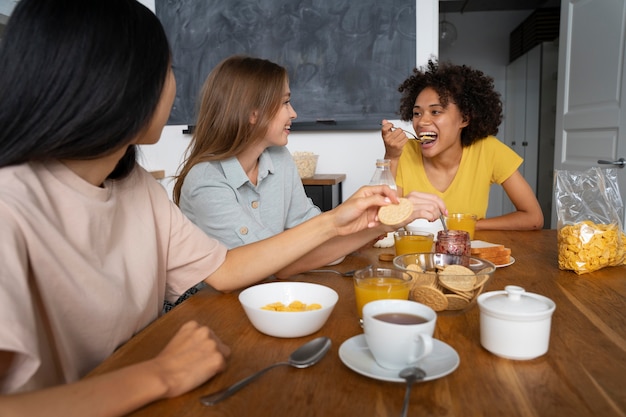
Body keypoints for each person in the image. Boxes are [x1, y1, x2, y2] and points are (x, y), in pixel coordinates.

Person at [0, 1, 446, 416]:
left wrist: (344, 219)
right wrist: (161, 373)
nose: (175, 86)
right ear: (117, 81)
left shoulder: (136, 188)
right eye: (168, 69)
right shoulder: (10, 206)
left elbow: (226, 268)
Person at [173, 55, 448, 273]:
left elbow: (316, 239)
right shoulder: (205, 181)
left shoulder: (279, 160)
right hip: (205, 314)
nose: (293, 113)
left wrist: (380, 224)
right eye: (285, 102)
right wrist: (359, 223)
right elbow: (274, 265)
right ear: (252, 113)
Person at [381, 60, 544, 231]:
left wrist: (467, 226)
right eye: (417, 113)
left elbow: (533, 218)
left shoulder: (488, 150)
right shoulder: (402, 152)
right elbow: (383, 221)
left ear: (464, 119)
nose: (422, 121)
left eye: (435, 111)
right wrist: (391, 157)